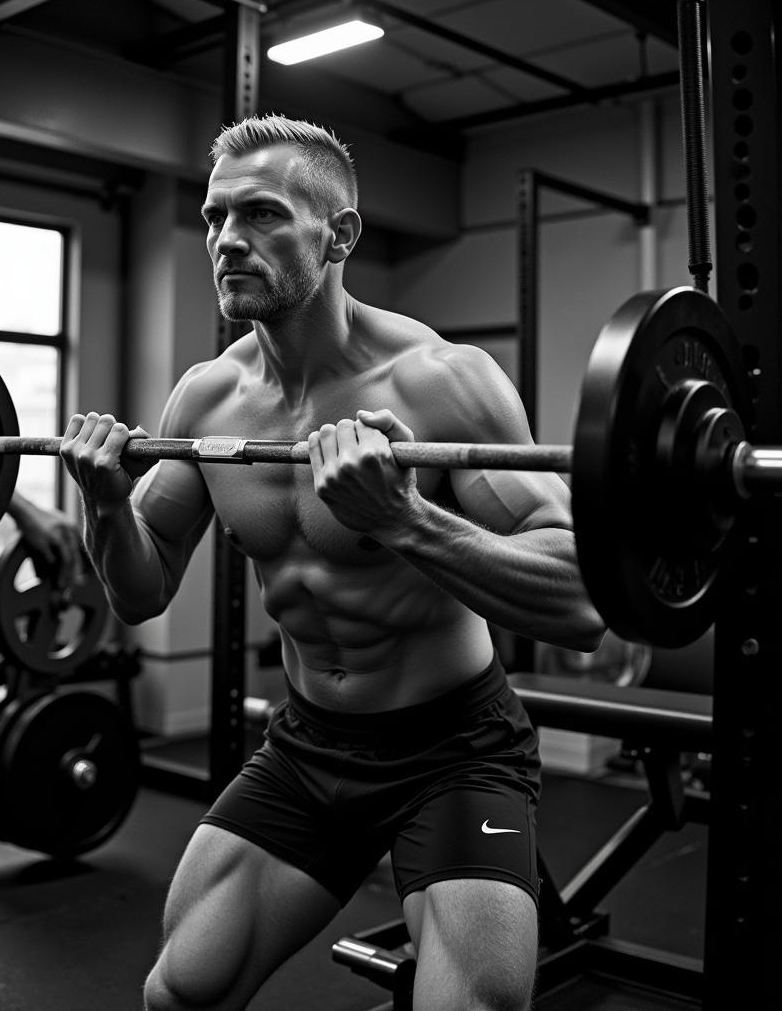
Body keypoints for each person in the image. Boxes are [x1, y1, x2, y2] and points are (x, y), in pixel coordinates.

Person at [58, 114, 605, 1011]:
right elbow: (141, 591)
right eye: (214, 217)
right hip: (307, 743)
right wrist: (107, 503)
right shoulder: (208, 396)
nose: (228, 240)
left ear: (339, 234)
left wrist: (405, 522)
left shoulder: (440, 383)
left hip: (454, 749)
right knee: (179, 995)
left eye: (263, 214)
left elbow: (582, 601)